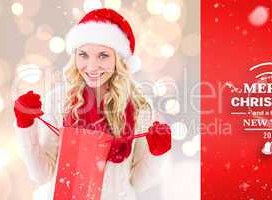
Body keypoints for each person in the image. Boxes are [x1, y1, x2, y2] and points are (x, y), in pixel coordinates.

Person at [13, 8, 170, 200]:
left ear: (118, 59)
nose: (92, 66)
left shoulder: (139, 109)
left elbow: (138, 182)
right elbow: (41, 174)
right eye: (84, 55)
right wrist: (25, 126)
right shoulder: (58, 101)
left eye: (103, 55)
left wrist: (157, 153)